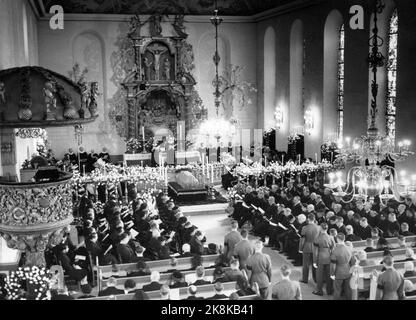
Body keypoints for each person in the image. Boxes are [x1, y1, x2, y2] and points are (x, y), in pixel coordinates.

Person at [313, 223, 335, 296]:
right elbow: (333, 249)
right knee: (329, 274)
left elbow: (315, 251)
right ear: (327, 229)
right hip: (329, 256)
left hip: (320, 257)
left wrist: (314, 261)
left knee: (319, 275)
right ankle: (329, 290)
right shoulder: (331, 237)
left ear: (320, 229)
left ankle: (320, 291)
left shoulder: (317, 238)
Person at [330, 233, 353, 300]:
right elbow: (352, 261)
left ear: (337, 239)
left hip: (338, 272)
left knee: (337, 290)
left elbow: (333, 265)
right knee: (348, 289)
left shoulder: (335, 251)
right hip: (348, 270)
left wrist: (332, 274)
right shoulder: (349, 248)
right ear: (344, 239)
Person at [299, 213, 320, 284]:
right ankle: (316, 279)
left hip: (307, 247)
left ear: (308, 219)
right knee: (315, 264)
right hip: (316, 247)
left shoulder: (304, 228)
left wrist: (300, 248)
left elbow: (302, 240)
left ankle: (305, 279)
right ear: (314, 219)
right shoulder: (318, 227)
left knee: (306, 264)